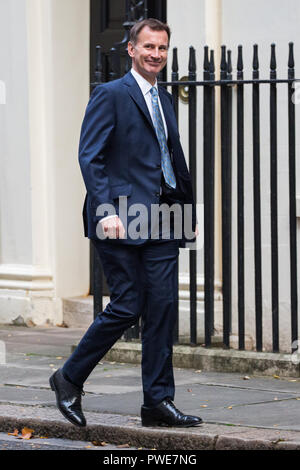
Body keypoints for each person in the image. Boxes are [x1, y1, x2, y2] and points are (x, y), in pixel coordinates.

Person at [49, 18, 202, 428]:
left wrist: (187, 213)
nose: (156, 54)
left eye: (162, 48)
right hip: (120, 215)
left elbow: (172, 160)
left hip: (164, 217)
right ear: (131, 50)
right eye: (148, 47)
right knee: (128, 304)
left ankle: (157, 402)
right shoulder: (110, 94)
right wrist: (107, 210)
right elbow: (91, 156)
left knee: (164, 308)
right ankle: (68, 378)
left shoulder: (164, 98)